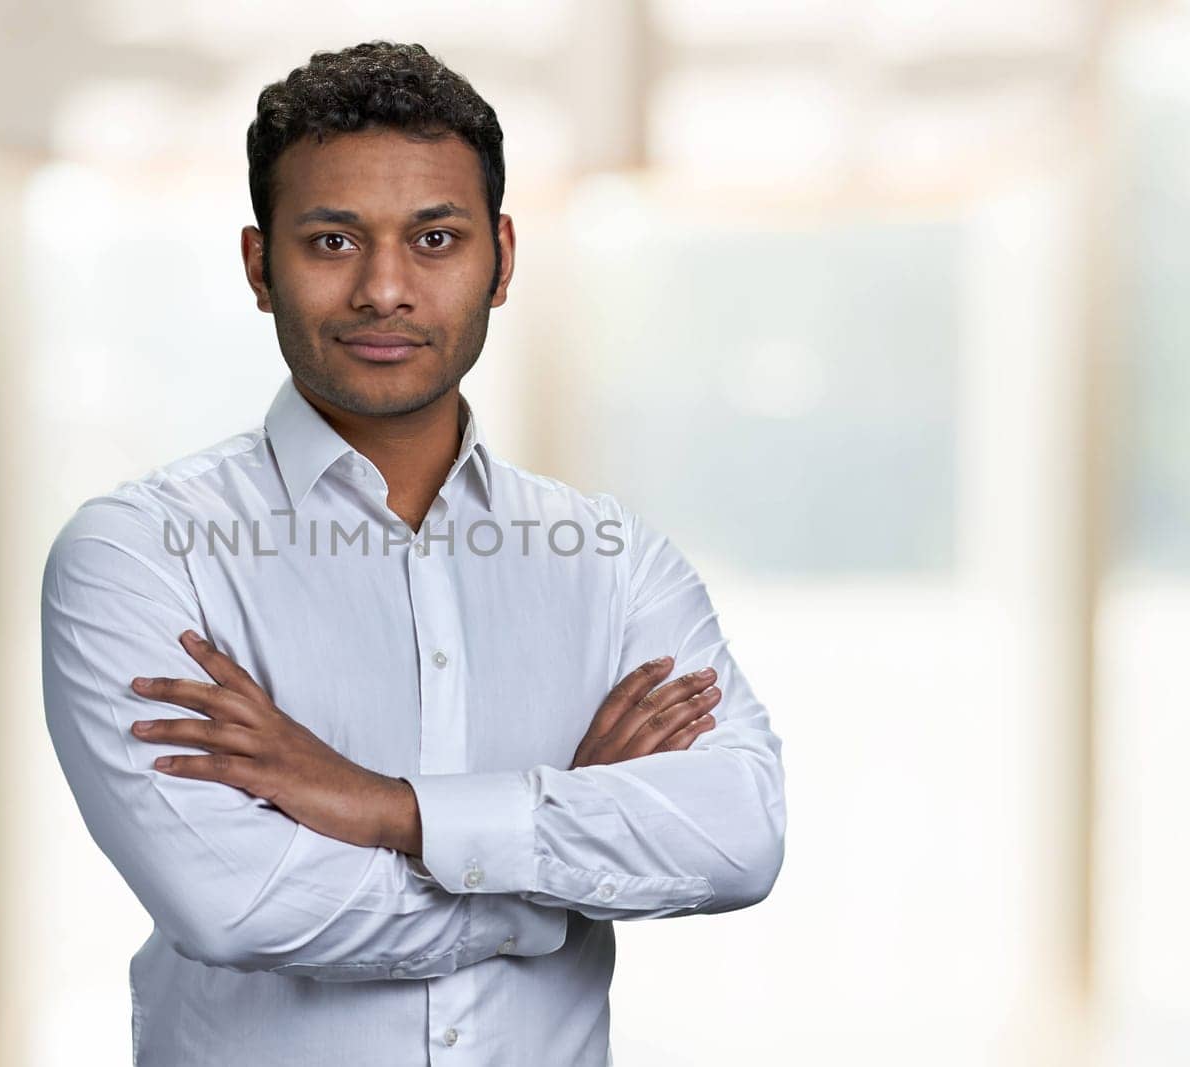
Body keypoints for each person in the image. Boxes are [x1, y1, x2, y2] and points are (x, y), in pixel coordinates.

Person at [41, 40, 786, 1066]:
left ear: (503, 257)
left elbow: (734, 838)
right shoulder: (142, 555)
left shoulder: (612, 561)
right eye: (333, 240)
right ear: (261, 265)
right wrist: (549, 870)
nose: (384, 288)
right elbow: (239, 906)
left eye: (434, 237)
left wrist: (384, 807)